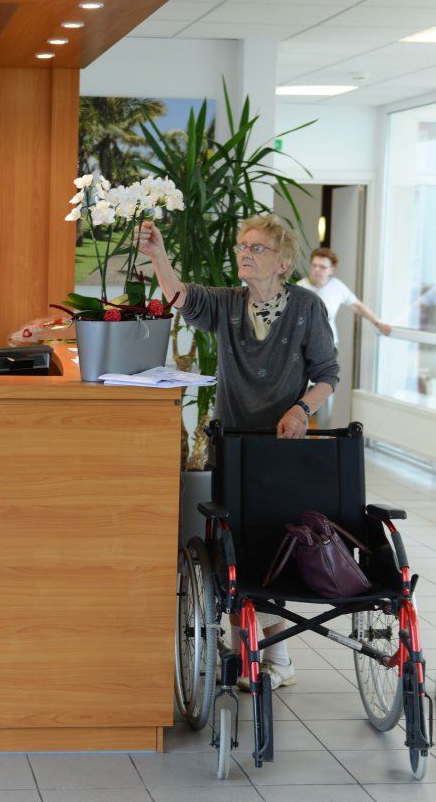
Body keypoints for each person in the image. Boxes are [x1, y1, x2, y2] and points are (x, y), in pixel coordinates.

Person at [136, 213, 340, 691]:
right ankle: (256, 653)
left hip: (281, 447)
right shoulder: (227, 305)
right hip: (233, 445)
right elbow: (181, 297)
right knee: (232, 546)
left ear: (283, 262)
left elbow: (328, 373)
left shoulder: (307, 308)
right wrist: (158, 255)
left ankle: (275, 655)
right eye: (241, 247)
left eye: (256, 248)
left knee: (272, 543)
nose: (244, 254)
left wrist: (301, 410)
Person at [297, 247, 390, 427]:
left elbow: (357, 306)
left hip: (327, 347)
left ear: (331, 269)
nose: (317, 270)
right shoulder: (300, 287)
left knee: (325, 388)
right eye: (314, 265)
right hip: (301, 347)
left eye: (322, 267)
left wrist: (378, 323)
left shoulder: (337, 287)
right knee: (300, 390)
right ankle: (299, 434)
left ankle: (324, 434)